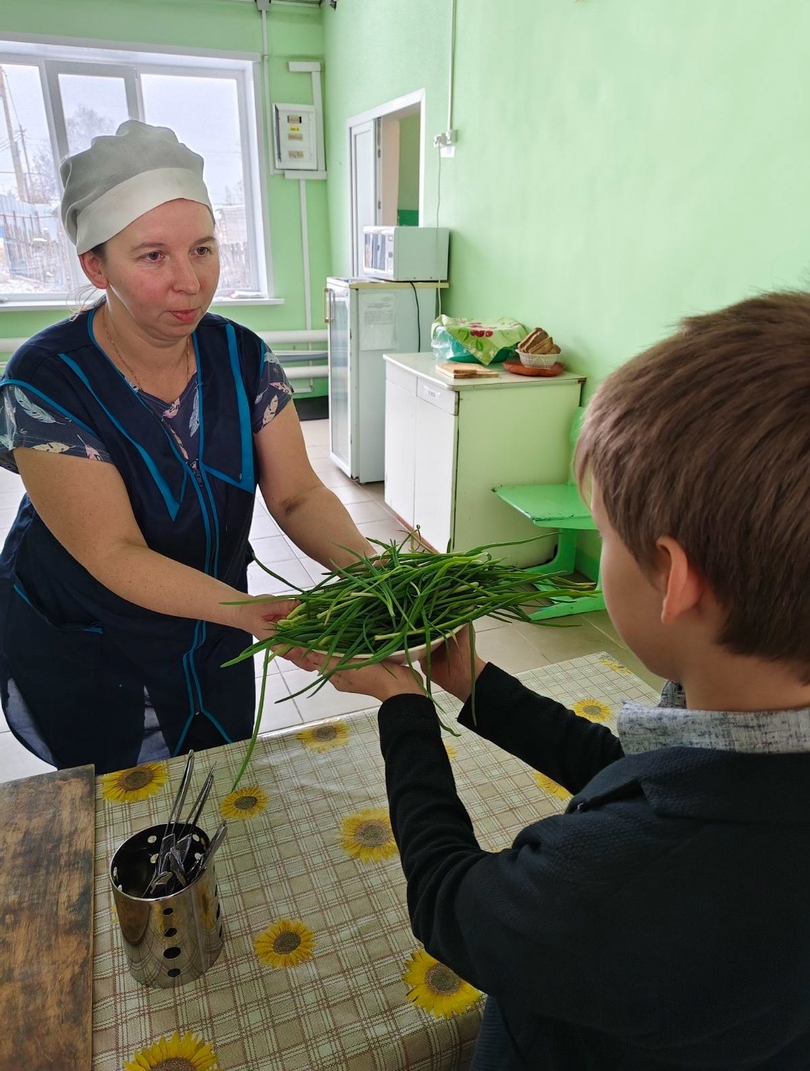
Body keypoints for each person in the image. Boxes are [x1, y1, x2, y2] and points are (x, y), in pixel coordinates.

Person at [282, 291, 810, 1068]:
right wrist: (477, 685)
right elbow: (646, 777)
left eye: (606, 537)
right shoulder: (743, 739)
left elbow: (453, 903)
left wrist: (402, 706)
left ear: (674, 578)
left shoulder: (627, 883)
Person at [0, 120, 373, 775]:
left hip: (212, 621)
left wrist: (372, 572)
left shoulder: (241, 355)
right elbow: (110, 551)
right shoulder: (46, 380)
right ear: (96, 265)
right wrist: (257, 612)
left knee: (220, 776)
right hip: (96, 634)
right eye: (152, 256)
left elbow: (297, 494)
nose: (189, 280)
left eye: (202, 249)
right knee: (122, 800)